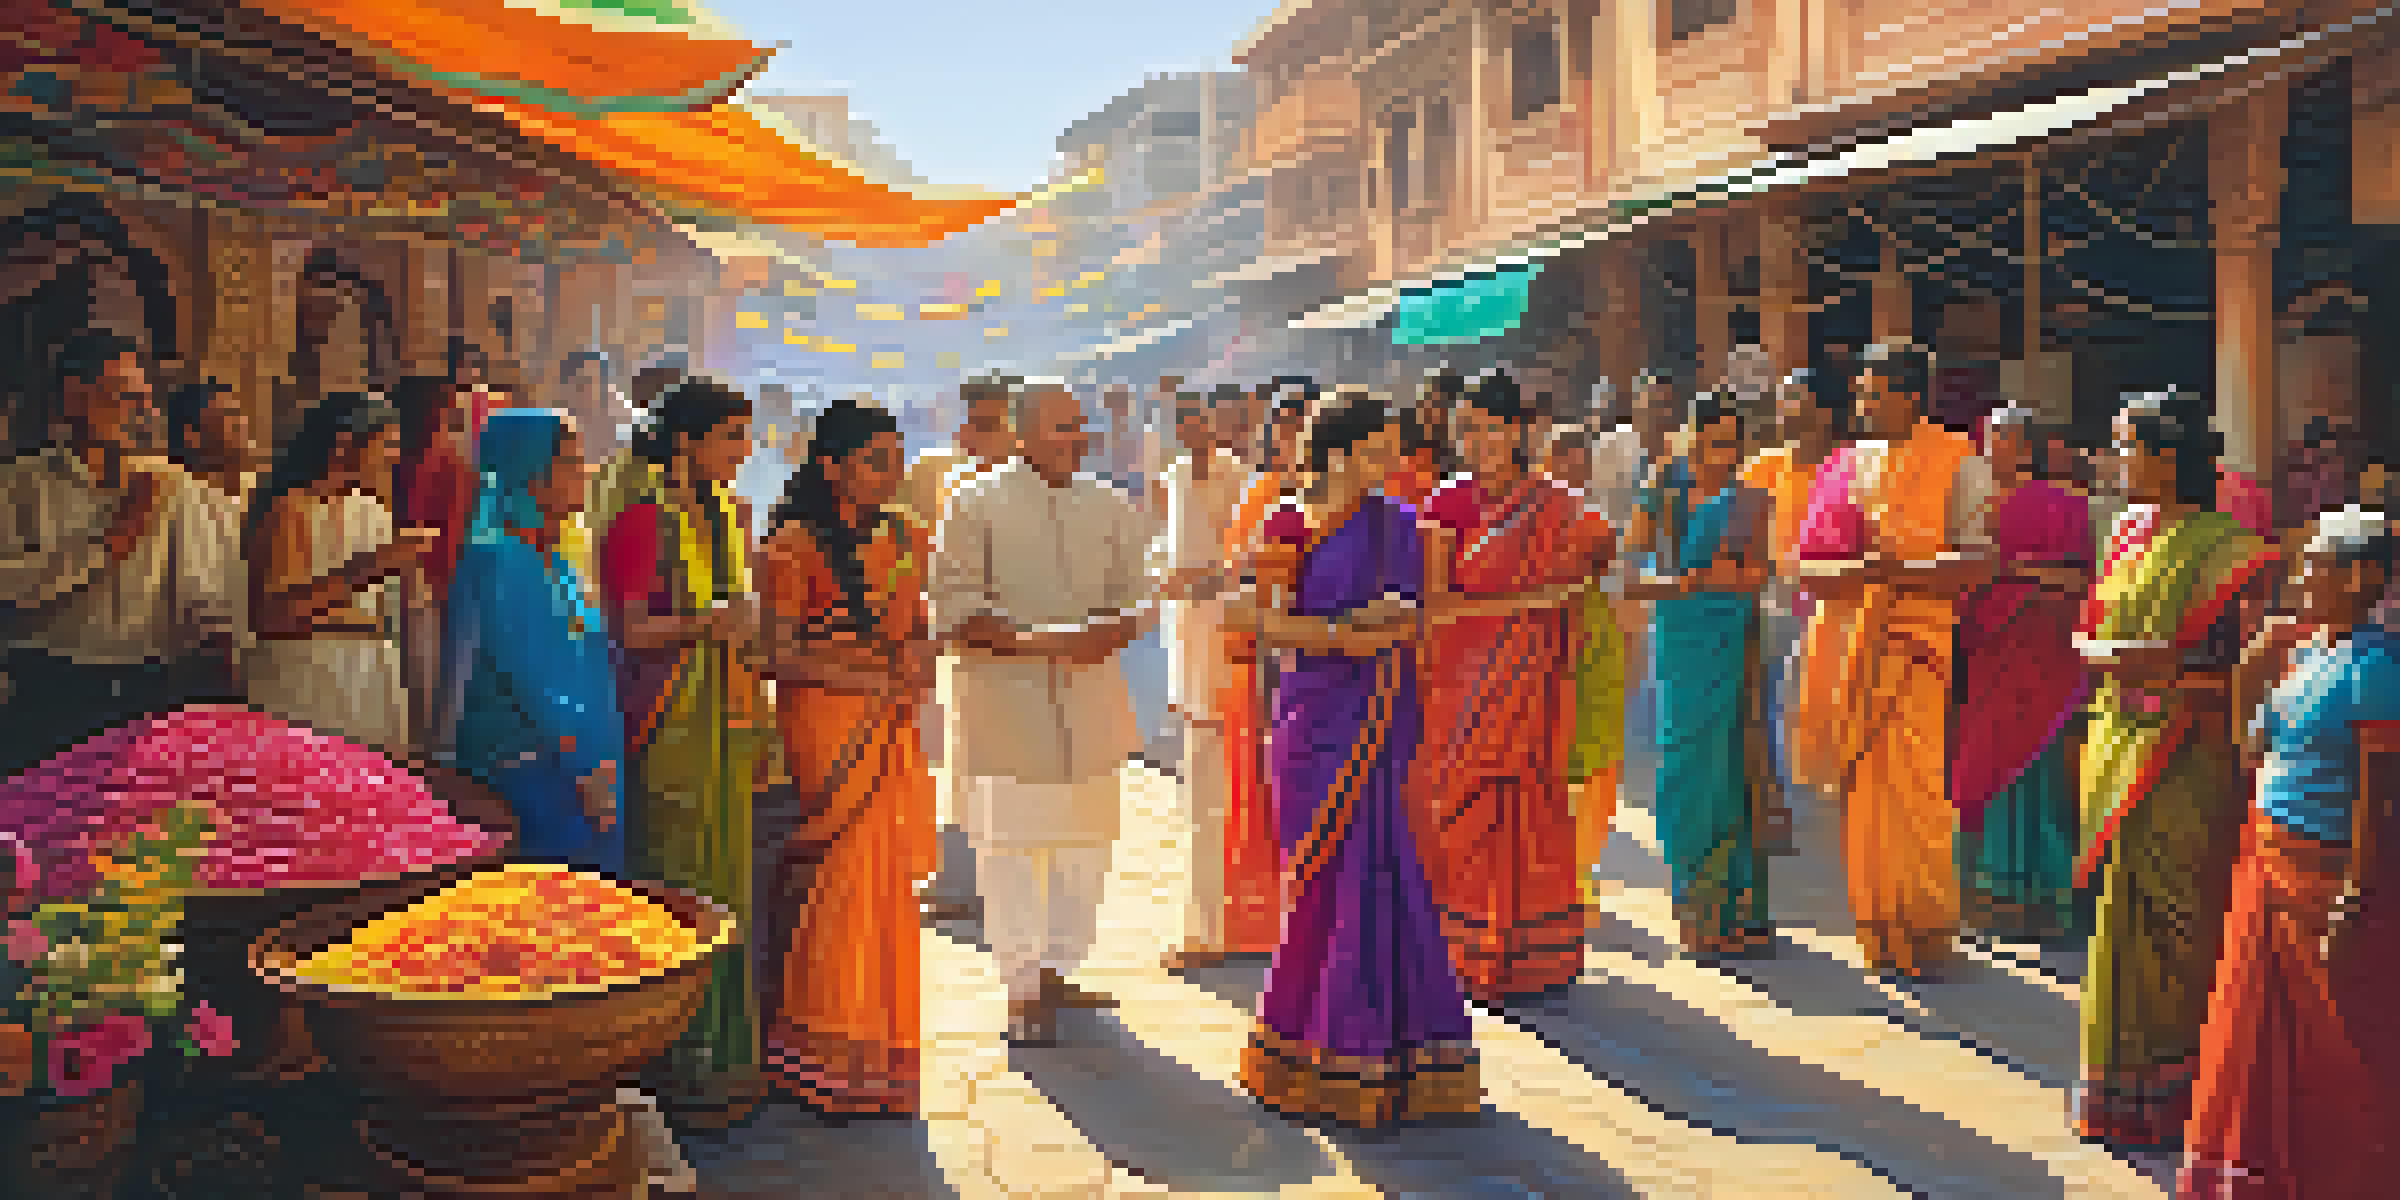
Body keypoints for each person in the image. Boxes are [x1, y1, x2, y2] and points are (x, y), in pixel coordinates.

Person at [1230, 389, 1480, 1128]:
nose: (1393, 463)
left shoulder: (1399, 523)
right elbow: (1251, 623)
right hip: (1313, 723)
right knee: (1321, 885)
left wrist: (1389, 624)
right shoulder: (1286, 522)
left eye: (1395, 449)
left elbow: (1416, 608)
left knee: (1385, 875)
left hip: (1380, 714)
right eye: (1377, 450)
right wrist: (1340, 633)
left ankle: (1395, 1053)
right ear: (1337, 452)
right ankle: (1310, 1050)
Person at [2072, 386, 2275, 1150]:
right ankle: (2116, 1092)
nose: (2114, 459)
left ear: (2165, 457)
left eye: (2125, 445)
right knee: (2118, 920)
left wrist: (2149, 669)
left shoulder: (2233, 549)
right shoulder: (2124, 533)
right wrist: (2120, 660)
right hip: (2118, 742)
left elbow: (2237, 667)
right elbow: (2089, 633)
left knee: (2181, 923)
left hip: (2189, 754)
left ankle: (2183, 1097)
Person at [2179, 506, 2400, 1198]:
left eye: (2315, 565)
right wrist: (2255, 658)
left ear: (2362, 576)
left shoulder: (2378, 667)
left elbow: (2379, 798)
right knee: (2258, 1030)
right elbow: (2251, 746)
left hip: (2330, 871)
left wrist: (2354, 897)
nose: (2301, 579)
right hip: (2268, 854)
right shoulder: (2306, 656)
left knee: (2335, 1041)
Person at [931, 379, 1155, 1045]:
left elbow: (1138, 597)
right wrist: (1043, 644)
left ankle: (1059, 967)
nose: (1077, 438)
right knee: (1011, 853)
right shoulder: (974, 504)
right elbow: (954, 607)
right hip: (1008, 711)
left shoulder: (1109, 506)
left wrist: (1112, 631)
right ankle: (1022, 988)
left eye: (1079, 426)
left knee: (1086, 852)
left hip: (1090, 707)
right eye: (1062, 428)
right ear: (1022, 432)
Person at [1788, 343, 1997, 979]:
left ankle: (1926, 931)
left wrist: (1897, 572)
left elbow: (1980, 561)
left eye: (1874, 394)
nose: (1862, 405)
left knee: (1916, 790)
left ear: (1912, 397)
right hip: (1847, 648)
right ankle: (1878, 928)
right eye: (1860, 393)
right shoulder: (1839, 468)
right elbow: (1803, 565)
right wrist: (1860, 573)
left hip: (1914, 649)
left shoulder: (1960, 461)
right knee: (1862, 794)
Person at [599, 376, 770, 1127]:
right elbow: (631, 631)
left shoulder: (732, 514)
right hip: (669, 714)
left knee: (730, 873)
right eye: (731, 436)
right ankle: (670, 1061)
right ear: (686, 442)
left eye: (745, 435)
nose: (744, 450)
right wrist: (710, 625)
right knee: (678, 870)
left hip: (727, 712)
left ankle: (725, 1054)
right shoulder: (641, 521)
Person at [758, 398, 935, 1115]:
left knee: (885, 883)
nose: (891, 473)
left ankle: (878, 1050)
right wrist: (870, 678)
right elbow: (778, 655)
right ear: (831, 467)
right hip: (828, 726)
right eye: (874, 460)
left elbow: (921, 624)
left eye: (896, 457)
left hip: (887, 718)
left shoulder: (908, 536)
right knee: (847, 878)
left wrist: (918, 660)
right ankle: (823, 1049)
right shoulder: (790, 548)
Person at [1417, 371, 1613, 1004]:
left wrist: (1551, 597)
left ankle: (1536, 955)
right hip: (1462, 689)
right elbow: (1436, 606)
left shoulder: (1554, 503)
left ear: (1518, 431)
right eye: (1465, 429)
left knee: (1532, 808)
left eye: (1487, 429)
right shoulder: (1446, 503)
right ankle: (1468, 954)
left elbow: (1595, 564)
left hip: (1532, 684)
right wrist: (1530, 598)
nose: (1475, 442)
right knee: (1464, 815)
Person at [0, 333, 239, 773]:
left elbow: (206, 593)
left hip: (147, 691)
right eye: (124, 397)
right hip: (49, 690)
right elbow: (12, 588)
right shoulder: (18, 487)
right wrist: (110, 541)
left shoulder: (172, 486)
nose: (141, 414)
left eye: (146, 400)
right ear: (74, 398)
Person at [1940, 407, 2094, 943]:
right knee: (1987, 768)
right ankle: (1991, 900)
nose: (1989, 448)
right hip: (1992, 653)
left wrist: (2009, 574)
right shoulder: (1973, 505)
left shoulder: (2068, 505)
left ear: (2027, 448)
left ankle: (2041, 900)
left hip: (2044, 653)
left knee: (2039, 769)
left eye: (2000, 439)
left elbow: (2083, 579)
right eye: (1985, 438)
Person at [446, 409, 623, 872]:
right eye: (568, 461)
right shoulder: (504, 561)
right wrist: (587, 772)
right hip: (531, 773)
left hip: (573, 767)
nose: (582, 472)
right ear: (530, 474)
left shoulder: (554, 560)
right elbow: (538, 684)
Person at [1628, 393, 1774, 956]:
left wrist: (1730, 577)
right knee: (1686, 765)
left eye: (1732, 443)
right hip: (1682, 644)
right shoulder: (1661, 496)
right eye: (1712, 441)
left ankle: (1738, 911)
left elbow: (1760, 574)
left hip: (1731, 642)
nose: (1723, 454)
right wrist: (1681, 583)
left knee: (1734, 764)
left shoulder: (1750, 500)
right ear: (1689, 437)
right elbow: (1633, 570)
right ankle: (1695, 905)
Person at [244, 391, 432, 755]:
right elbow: (273, 616)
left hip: (369, 677)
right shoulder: (291, 509)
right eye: (387, 444)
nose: (395, 457)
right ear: (347, 443)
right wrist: (371, 566)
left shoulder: (371, 510)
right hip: (309, 677)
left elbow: (389, 609)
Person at [914, 374, 1022, 924]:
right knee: (959, 766)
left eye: (986, 425)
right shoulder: (954, 483)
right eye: (968, 423)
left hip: (1013, 650)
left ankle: (993, 886)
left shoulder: (1031, 493)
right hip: (962, 647)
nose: (970, 436)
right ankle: (958, 878)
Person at [1155, 389, 1253, 971]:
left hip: (1227, 652)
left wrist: (1200, 578)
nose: (1191, 427)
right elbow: (1171, 552)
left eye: (1200, 417)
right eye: (1181, 418)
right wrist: (1163, 573)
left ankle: (1213, 930)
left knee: (1216, 797)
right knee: (1198, 795)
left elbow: (1244, 562)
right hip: (1187, 651)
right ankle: (1206, 925)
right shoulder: (1172, 474)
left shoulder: (1238, 477)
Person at [1219, 388, 1313, 958]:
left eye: (1302, 424)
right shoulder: (1260, 494)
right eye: (1284, 426)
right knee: (1266, 777)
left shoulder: (1348, 499)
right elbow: (1237, 570)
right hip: (1270, 654)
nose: (1292, 436)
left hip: (1333, 654)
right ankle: (1272, 915)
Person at [1740, 370, 1845, 855]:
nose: (1784, 413)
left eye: (1794, 402)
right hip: (1770, 598)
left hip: (1832, 606)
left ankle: (1828, 805)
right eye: (1782, 403)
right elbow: (1738, 531)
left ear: (1823, 413)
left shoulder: (1848, 468)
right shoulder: (1763, 467)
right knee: (1762, 706)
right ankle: (1772, 808)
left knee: (1820, 707)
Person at [1542, 426, 1628, 916]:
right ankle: (1555, 879)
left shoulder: (1598, 521)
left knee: (1594, 770)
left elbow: (1611, 583)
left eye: (1581, 462)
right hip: (1545, 651)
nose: (1572, 471)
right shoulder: (1530, 520)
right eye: (1562, 461)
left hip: (1595, 652)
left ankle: (1579, 877)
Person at [392, 375, 479, 753]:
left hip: (424, 592)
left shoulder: (449, 465)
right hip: (413, 590)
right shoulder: (436, 462)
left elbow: (454, 540)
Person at [163, 379, 257, 704]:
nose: (244, 424)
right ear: (193, 435)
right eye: (230, 417)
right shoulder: (180, 494)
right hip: (210, 664)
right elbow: (197, 590)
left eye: (241, 414)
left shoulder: (261, 492)